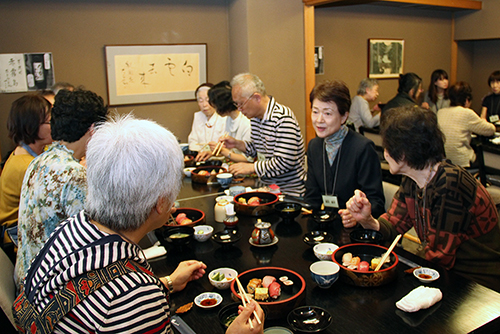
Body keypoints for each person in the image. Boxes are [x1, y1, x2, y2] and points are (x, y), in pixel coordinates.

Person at [13, 115, 265, 334]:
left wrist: (166, 283)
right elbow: (123, 301)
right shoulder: (136, 298)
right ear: (161, 203)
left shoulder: (68, 230)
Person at [340, 106, 500, 291]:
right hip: (446, 274)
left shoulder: (450, 184)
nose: (385, 153)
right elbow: (393, 226)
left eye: (388, 147)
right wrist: (367, 220)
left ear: (406, 152)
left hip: (478, 284)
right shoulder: (412, 179)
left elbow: (440, 257)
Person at [15, 89, 108, 288]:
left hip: (26, 280)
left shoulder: (39, 161)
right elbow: (92, 245)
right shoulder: (73, 174)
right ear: (93, 129)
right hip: (49, 290)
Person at [305, 80, 385, 216]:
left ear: (344, 116)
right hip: (325, 225)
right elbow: (312, 198)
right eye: (315, 112)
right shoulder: (314, 147)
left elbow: (376, 202)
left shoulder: (362, 148)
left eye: (327, 113)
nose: (319, 120)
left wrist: (356, 216)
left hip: (355, 227)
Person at [221, 73, 306, 197]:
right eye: (236, 104)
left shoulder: (282, 118)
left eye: (241, 104)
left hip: (289, 192)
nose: (239, 109)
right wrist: (237, 144)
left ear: (257, 98)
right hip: (267, 188)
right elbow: (257, 150)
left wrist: (251, 168)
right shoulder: (255, 118)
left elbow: (284, 162)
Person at [0, 95, 52, 244]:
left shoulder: (23, 153)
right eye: (49, 122)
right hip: (17, 237)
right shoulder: (27, 166)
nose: (53, 126)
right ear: (32, 125)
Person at [437, 81, 495, 167]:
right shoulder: (466, 113)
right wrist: (483, 120)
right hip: (461, 162)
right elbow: (490, 130)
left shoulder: (440, 112)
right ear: (467, 100)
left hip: (443, 161)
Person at [195, 81, 252, 163]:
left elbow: (248, 159)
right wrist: (213, 153)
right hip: (230, 166)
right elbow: (230, 151)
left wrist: (223, 151)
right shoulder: (229, 119)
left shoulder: (246, 124)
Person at [187, 83, 226, 152]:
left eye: (207, 100)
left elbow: (226, 144)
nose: (204, 105)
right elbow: (193, 141)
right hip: (200, 156)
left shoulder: (223, 117)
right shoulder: (198, 116)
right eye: (200, 101)